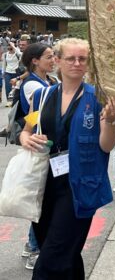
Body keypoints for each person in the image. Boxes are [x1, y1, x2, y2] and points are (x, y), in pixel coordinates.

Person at [20, 38, 115, 279]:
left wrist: (111, 121)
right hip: (44, 184)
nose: (76, 63)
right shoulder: (42, 96)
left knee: (51, 259)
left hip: (79, 186)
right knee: (64, 253)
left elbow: (107, 145)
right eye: (70, 58)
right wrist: (25, 138)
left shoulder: (99, 98)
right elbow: (26, 129)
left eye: (82, 59)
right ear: (58, 61)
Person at [17, 43, 57, 269]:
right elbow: (34, 116)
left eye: (54, 56)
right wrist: (27, 132)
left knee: (42, 199)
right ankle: (34, 248)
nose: (53, 60)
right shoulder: (33, 85)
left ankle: (32, 245)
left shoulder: (47, 81)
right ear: (35, 60)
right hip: (39, 147)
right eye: (49, 57)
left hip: (46, 147)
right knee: (40, 200)